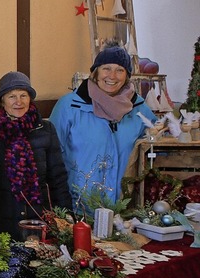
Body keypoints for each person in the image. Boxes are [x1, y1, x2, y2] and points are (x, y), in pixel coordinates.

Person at [49, 41, 156, 211]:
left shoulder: (139, 109)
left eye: (120, 70)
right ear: (96, 71)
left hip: (125, 209)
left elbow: (155, 149)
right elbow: (52, 156)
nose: (112, 76)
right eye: (106, 68)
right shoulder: (69, 106)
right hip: (78, 208)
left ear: (127, 76)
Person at [0, 72, 72, 241]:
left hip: (39, 218)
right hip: (2, 219)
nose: (19, 102)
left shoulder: (45, 129)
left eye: (23, 95)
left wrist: (66, 215)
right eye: (12, 96)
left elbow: (58, 177)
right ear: (2, 101)